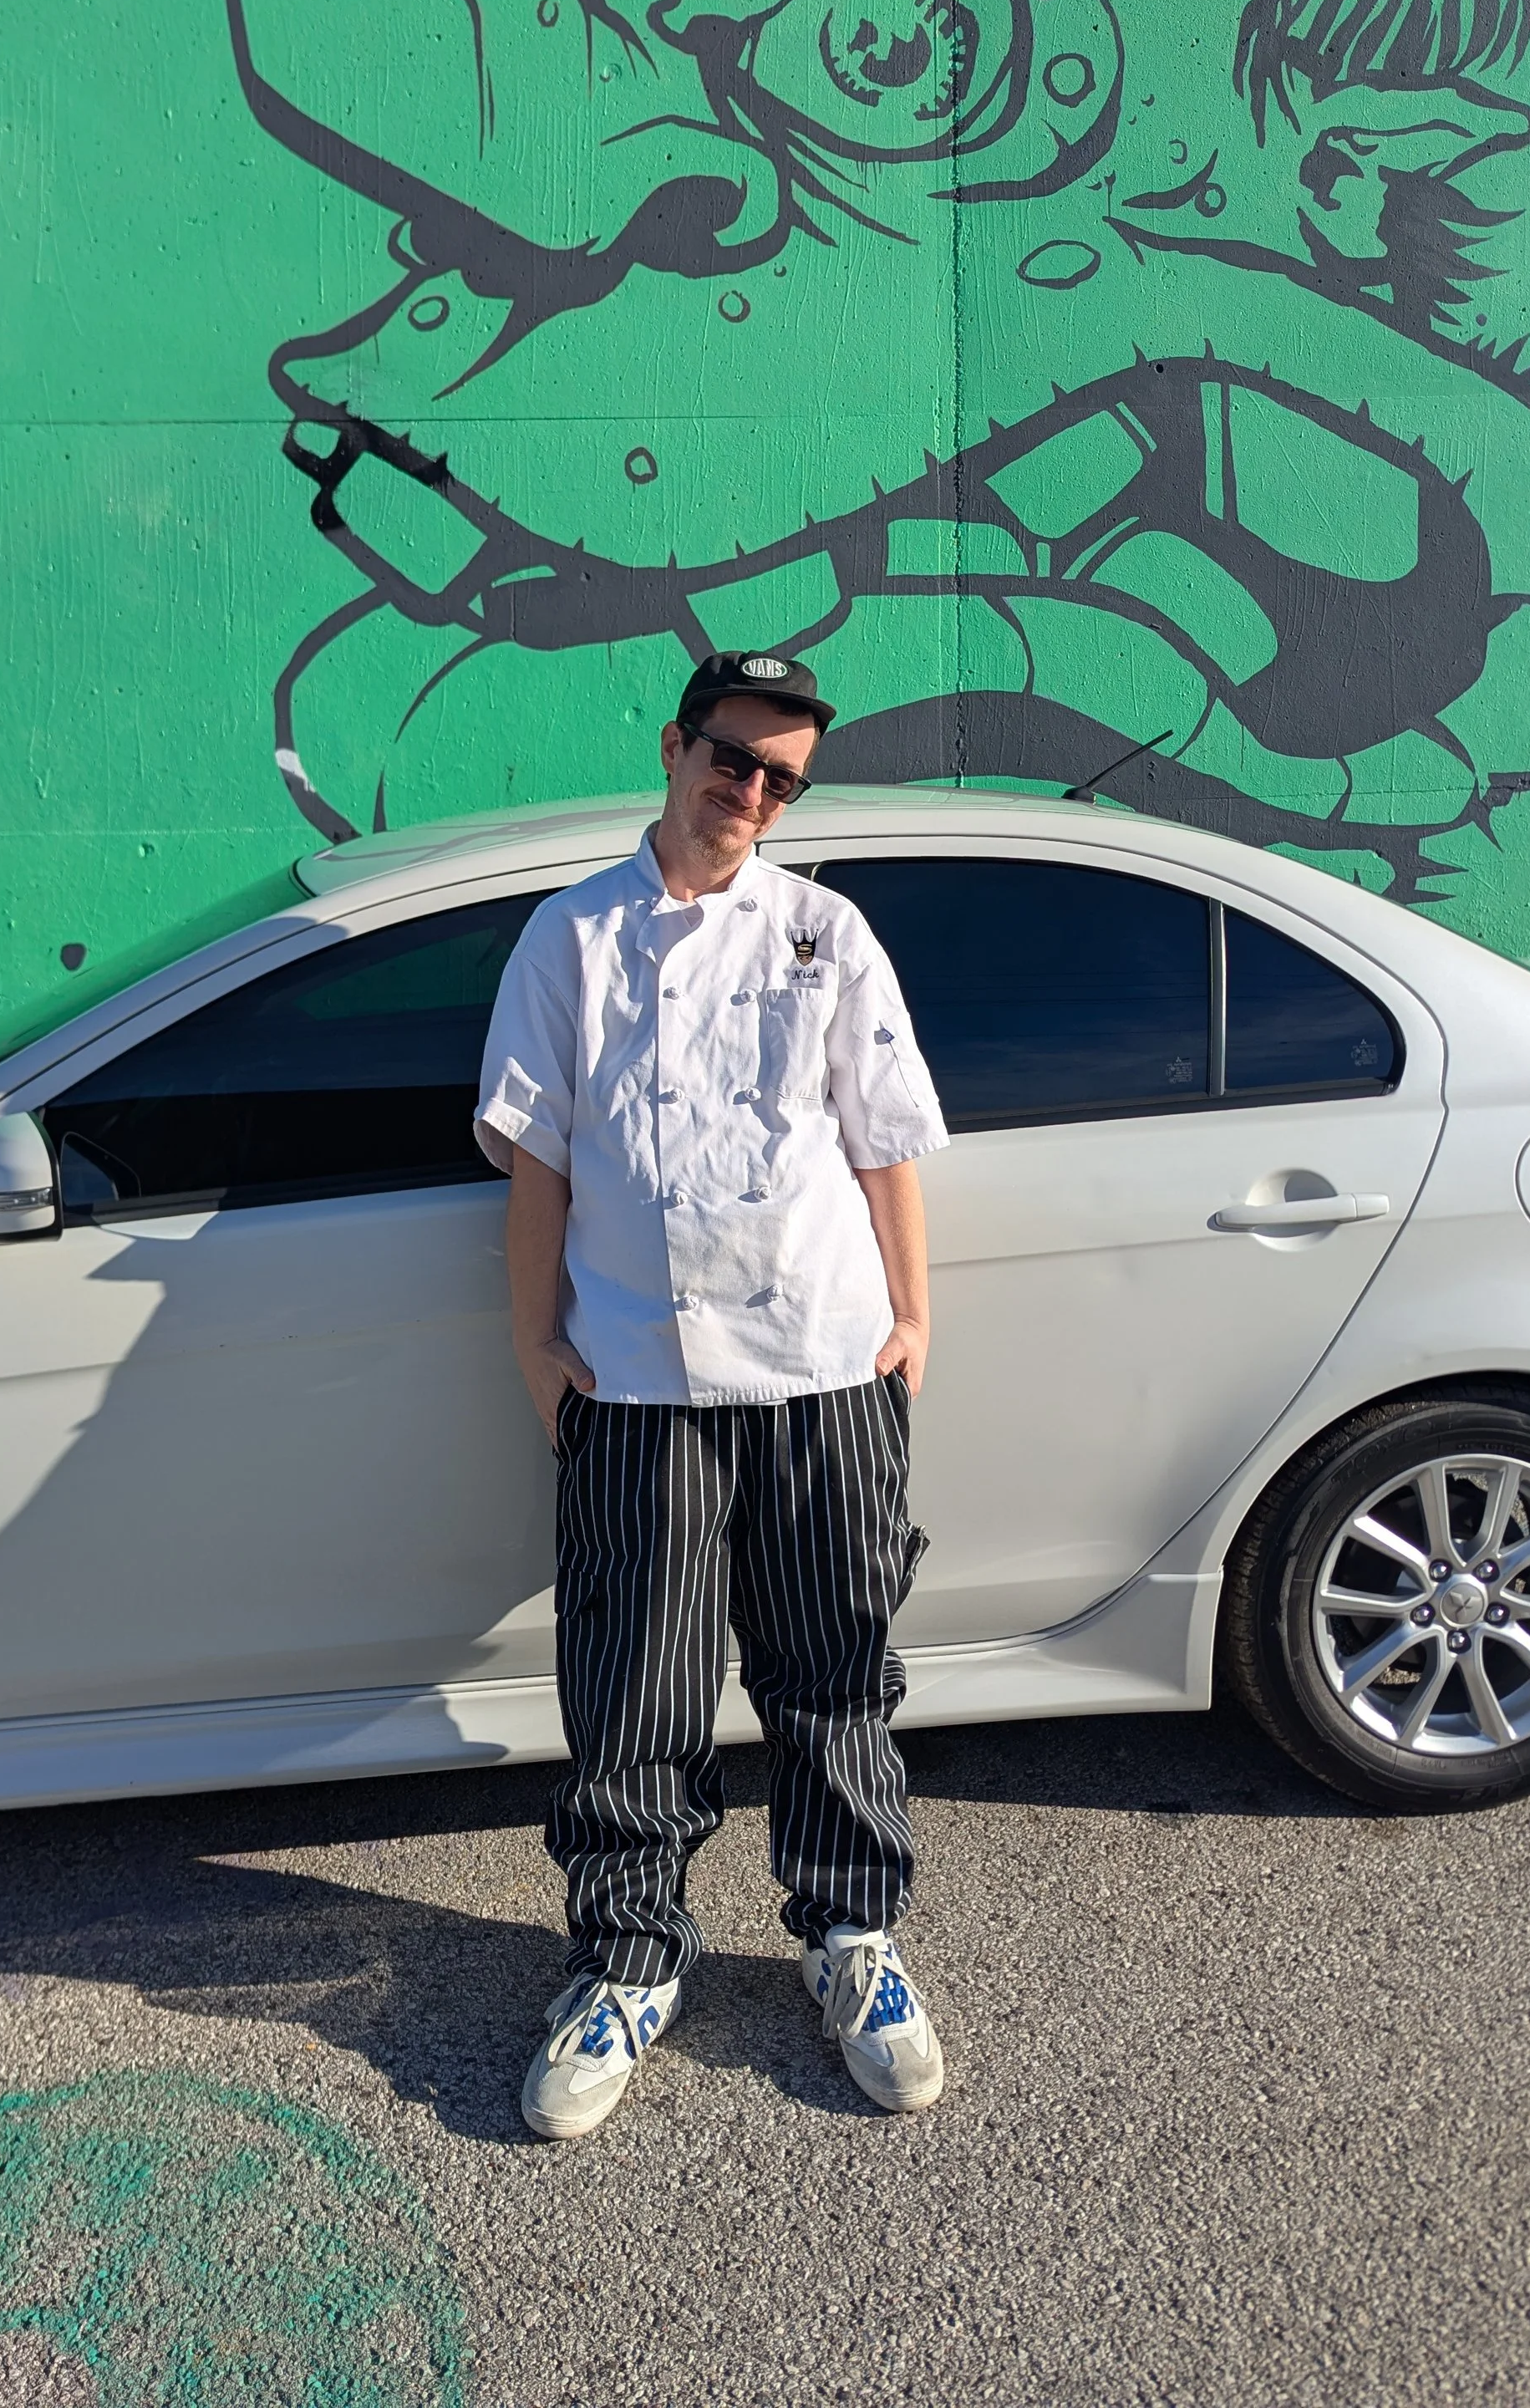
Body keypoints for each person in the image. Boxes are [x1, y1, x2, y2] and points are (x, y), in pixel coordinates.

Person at [474, 649, 951, 2141]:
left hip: (823, 1362)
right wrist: (535, 1345)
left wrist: (916, 1313)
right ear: (675, 747)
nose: (750, 794)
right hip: (635, 1372)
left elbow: (883, 1141)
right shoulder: (570, 941)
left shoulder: (825, 933)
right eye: (733, 759)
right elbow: (539, 1157)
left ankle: (851, 1937)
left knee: (833, 1671)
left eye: (780, 778)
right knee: (636, 1687)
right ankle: (625, 1958)